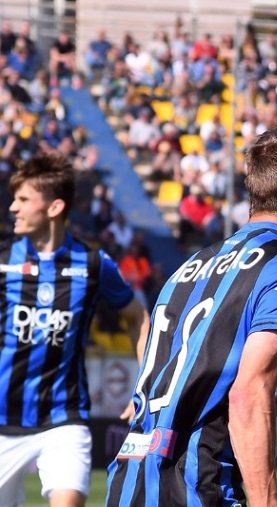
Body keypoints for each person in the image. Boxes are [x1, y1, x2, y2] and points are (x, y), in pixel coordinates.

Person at [106, 124, 277, 506]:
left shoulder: (188, 268)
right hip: (198, 490)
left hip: (126, 486)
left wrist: (261, 410)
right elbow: (248, 392)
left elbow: (181, 386)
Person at [0, 152, 149, 507]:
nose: (13, 208)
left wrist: (144, 385)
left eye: (23, 200)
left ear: (54, 208)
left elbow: (138, 318)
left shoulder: (93, 264)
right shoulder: (4, 261)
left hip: (64, 418)